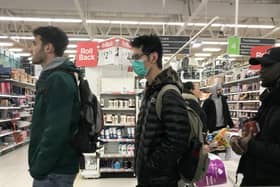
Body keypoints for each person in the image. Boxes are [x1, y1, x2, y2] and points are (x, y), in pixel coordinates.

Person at [131, 35, 190, 187]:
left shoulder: (168, 93)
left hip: (161, 180)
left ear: (153, 57)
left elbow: (178, 140)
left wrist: (151, 167)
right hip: (149, 179)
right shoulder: (151, 91)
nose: (134, 62)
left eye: (137, 57)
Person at [28, 26, 80, 187]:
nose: (31, 49)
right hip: (55, 169)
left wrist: (39, 166)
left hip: (54, 171)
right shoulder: (55, 77)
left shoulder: (58, 79)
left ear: (48, 47)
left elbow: (56, 130)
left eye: (35, 43)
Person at [230, 47, 280, 186]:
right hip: (255, 175)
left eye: (268, 65)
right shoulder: (269, 99)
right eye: (261, 65)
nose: (261, 70)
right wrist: (238, 139)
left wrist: (251, 145)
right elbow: (257, 128)